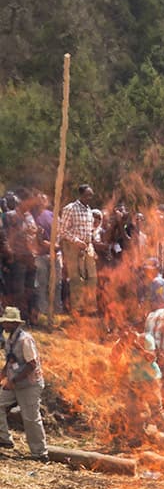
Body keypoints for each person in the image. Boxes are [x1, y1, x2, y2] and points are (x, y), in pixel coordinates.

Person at [0, 307, 48, 461]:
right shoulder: (10, 339)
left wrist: (13, 380)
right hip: (15, 383)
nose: (5, 325)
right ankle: (4, 438)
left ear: (15, 323)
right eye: (4, 322)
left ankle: (40, 453)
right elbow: (10, 361)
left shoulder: (25, 339)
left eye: (8, 322)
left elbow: (31, 364)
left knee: (31, 418)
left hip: (29, 385)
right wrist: (3, 375)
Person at [111, 329, 164, 446]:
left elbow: (151, 357)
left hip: (150, 379)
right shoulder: (121, 342)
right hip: (134, 379)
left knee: (156, 409)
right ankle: (138, 438)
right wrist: (121, 345)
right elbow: (114, 359)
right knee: (132, 410)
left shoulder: (146, 339)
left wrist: (136, 345)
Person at [58, 184, 97, 314]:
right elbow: (62, 231)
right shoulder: (70, 209)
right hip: (74, 248)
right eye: (87, 195)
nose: (90, 198)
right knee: (77, 280)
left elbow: (90, 231)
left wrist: (90, 245)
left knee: (91, 277)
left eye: (91, 195)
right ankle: (77, 309)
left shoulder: (89, 210)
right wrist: (76, 241)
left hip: (87, 247)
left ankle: (90, 307)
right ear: (80, 195)